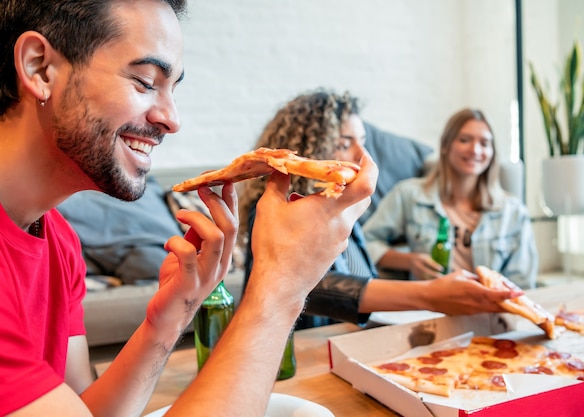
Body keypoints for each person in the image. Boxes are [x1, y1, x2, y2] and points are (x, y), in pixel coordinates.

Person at [0, 2, 377, 416]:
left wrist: (167, 322)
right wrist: (280, 286)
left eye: (173, 88)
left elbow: (86, 412)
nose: (171, 119)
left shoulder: (57, 241)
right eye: (145, 81)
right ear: (39, 68)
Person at [239, 90, 524, 329]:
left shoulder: (344, 206)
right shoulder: (275, 210)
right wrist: (428, 294)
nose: (362, 158)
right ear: (306, 147)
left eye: (363, 143)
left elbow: (363, 280)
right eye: (344, 144)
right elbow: (310, 287)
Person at [363, 108, 538, 289]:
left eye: (485, 143)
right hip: (430, 307)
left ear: (492, 152)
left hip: (490, 311)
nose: (475, 150)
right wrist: (408, 261)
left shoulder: (514, 211)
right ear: (446, 146)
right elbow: (364, 242)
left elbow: (522, 284)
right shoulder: (409, 194)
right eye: (464, 140)